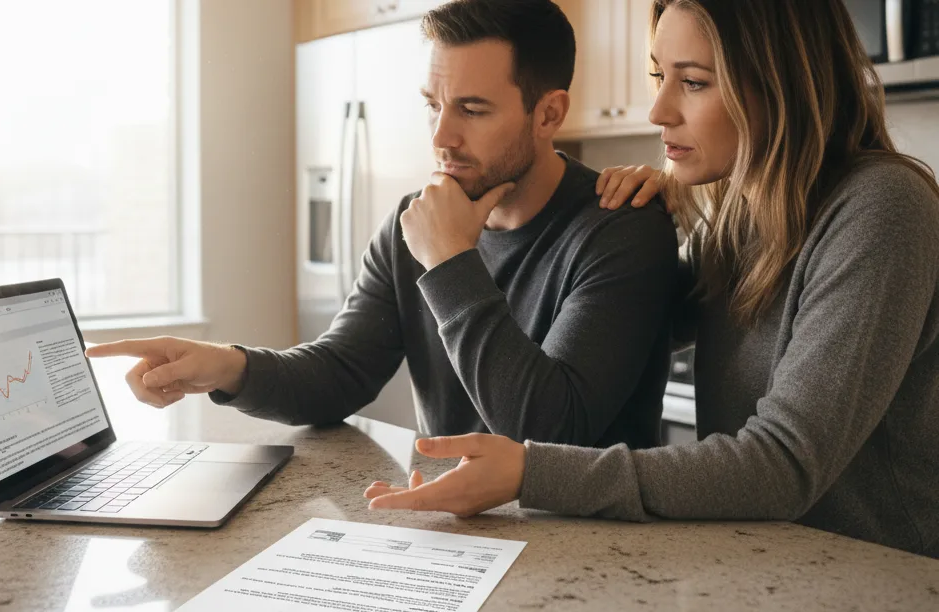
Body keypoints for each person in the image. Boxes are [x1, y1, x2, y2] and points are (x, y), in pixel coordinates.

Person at [364, 0, 939, 559]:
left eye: (692, 82)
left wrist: (530, 472)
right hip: (766, 563)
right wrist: (640, 234)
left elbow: (783, 465)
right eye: (658, 75)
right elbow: (640, 314)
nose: (658, 110)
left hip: (880, 578)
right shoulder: (739, 220)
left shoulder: (882, 208)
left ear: (781, 82)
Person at [85, 0, 679, 449]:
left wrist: (449, 261)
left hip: (588, 558)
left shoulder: (619, 230)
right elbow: (340, 373)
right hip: (453, 532)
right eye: (432, 105)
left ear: (548, 113)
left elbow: (550, 430)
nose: (442, 137)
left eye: (472, 110)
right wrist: (226, 365)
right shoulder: (410, 223)